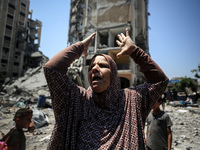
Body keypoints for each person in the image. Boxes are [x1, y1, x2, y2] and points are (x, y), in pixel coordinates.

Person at [44, 28, 169, 149]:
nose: (94, 68)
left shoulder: (131, 100)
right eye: (91, 66)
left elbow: (159, 81)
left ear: (113, 75)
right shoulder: (77, 99)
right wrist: (80, 47)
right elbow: (52, 70)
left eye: (102, 65)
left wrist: (135, 52)